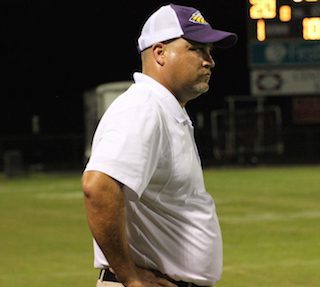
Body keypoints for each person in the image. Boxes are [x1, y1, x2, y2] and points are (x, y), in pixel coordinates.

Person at [82, 3, 237, 287]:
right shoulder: (144, 107)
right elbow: (98, 186)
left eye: (210, 52)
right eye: (196, 49)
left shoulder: (164, 108)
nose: (209, 61)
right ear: (159, 53)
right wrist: (131, 278)